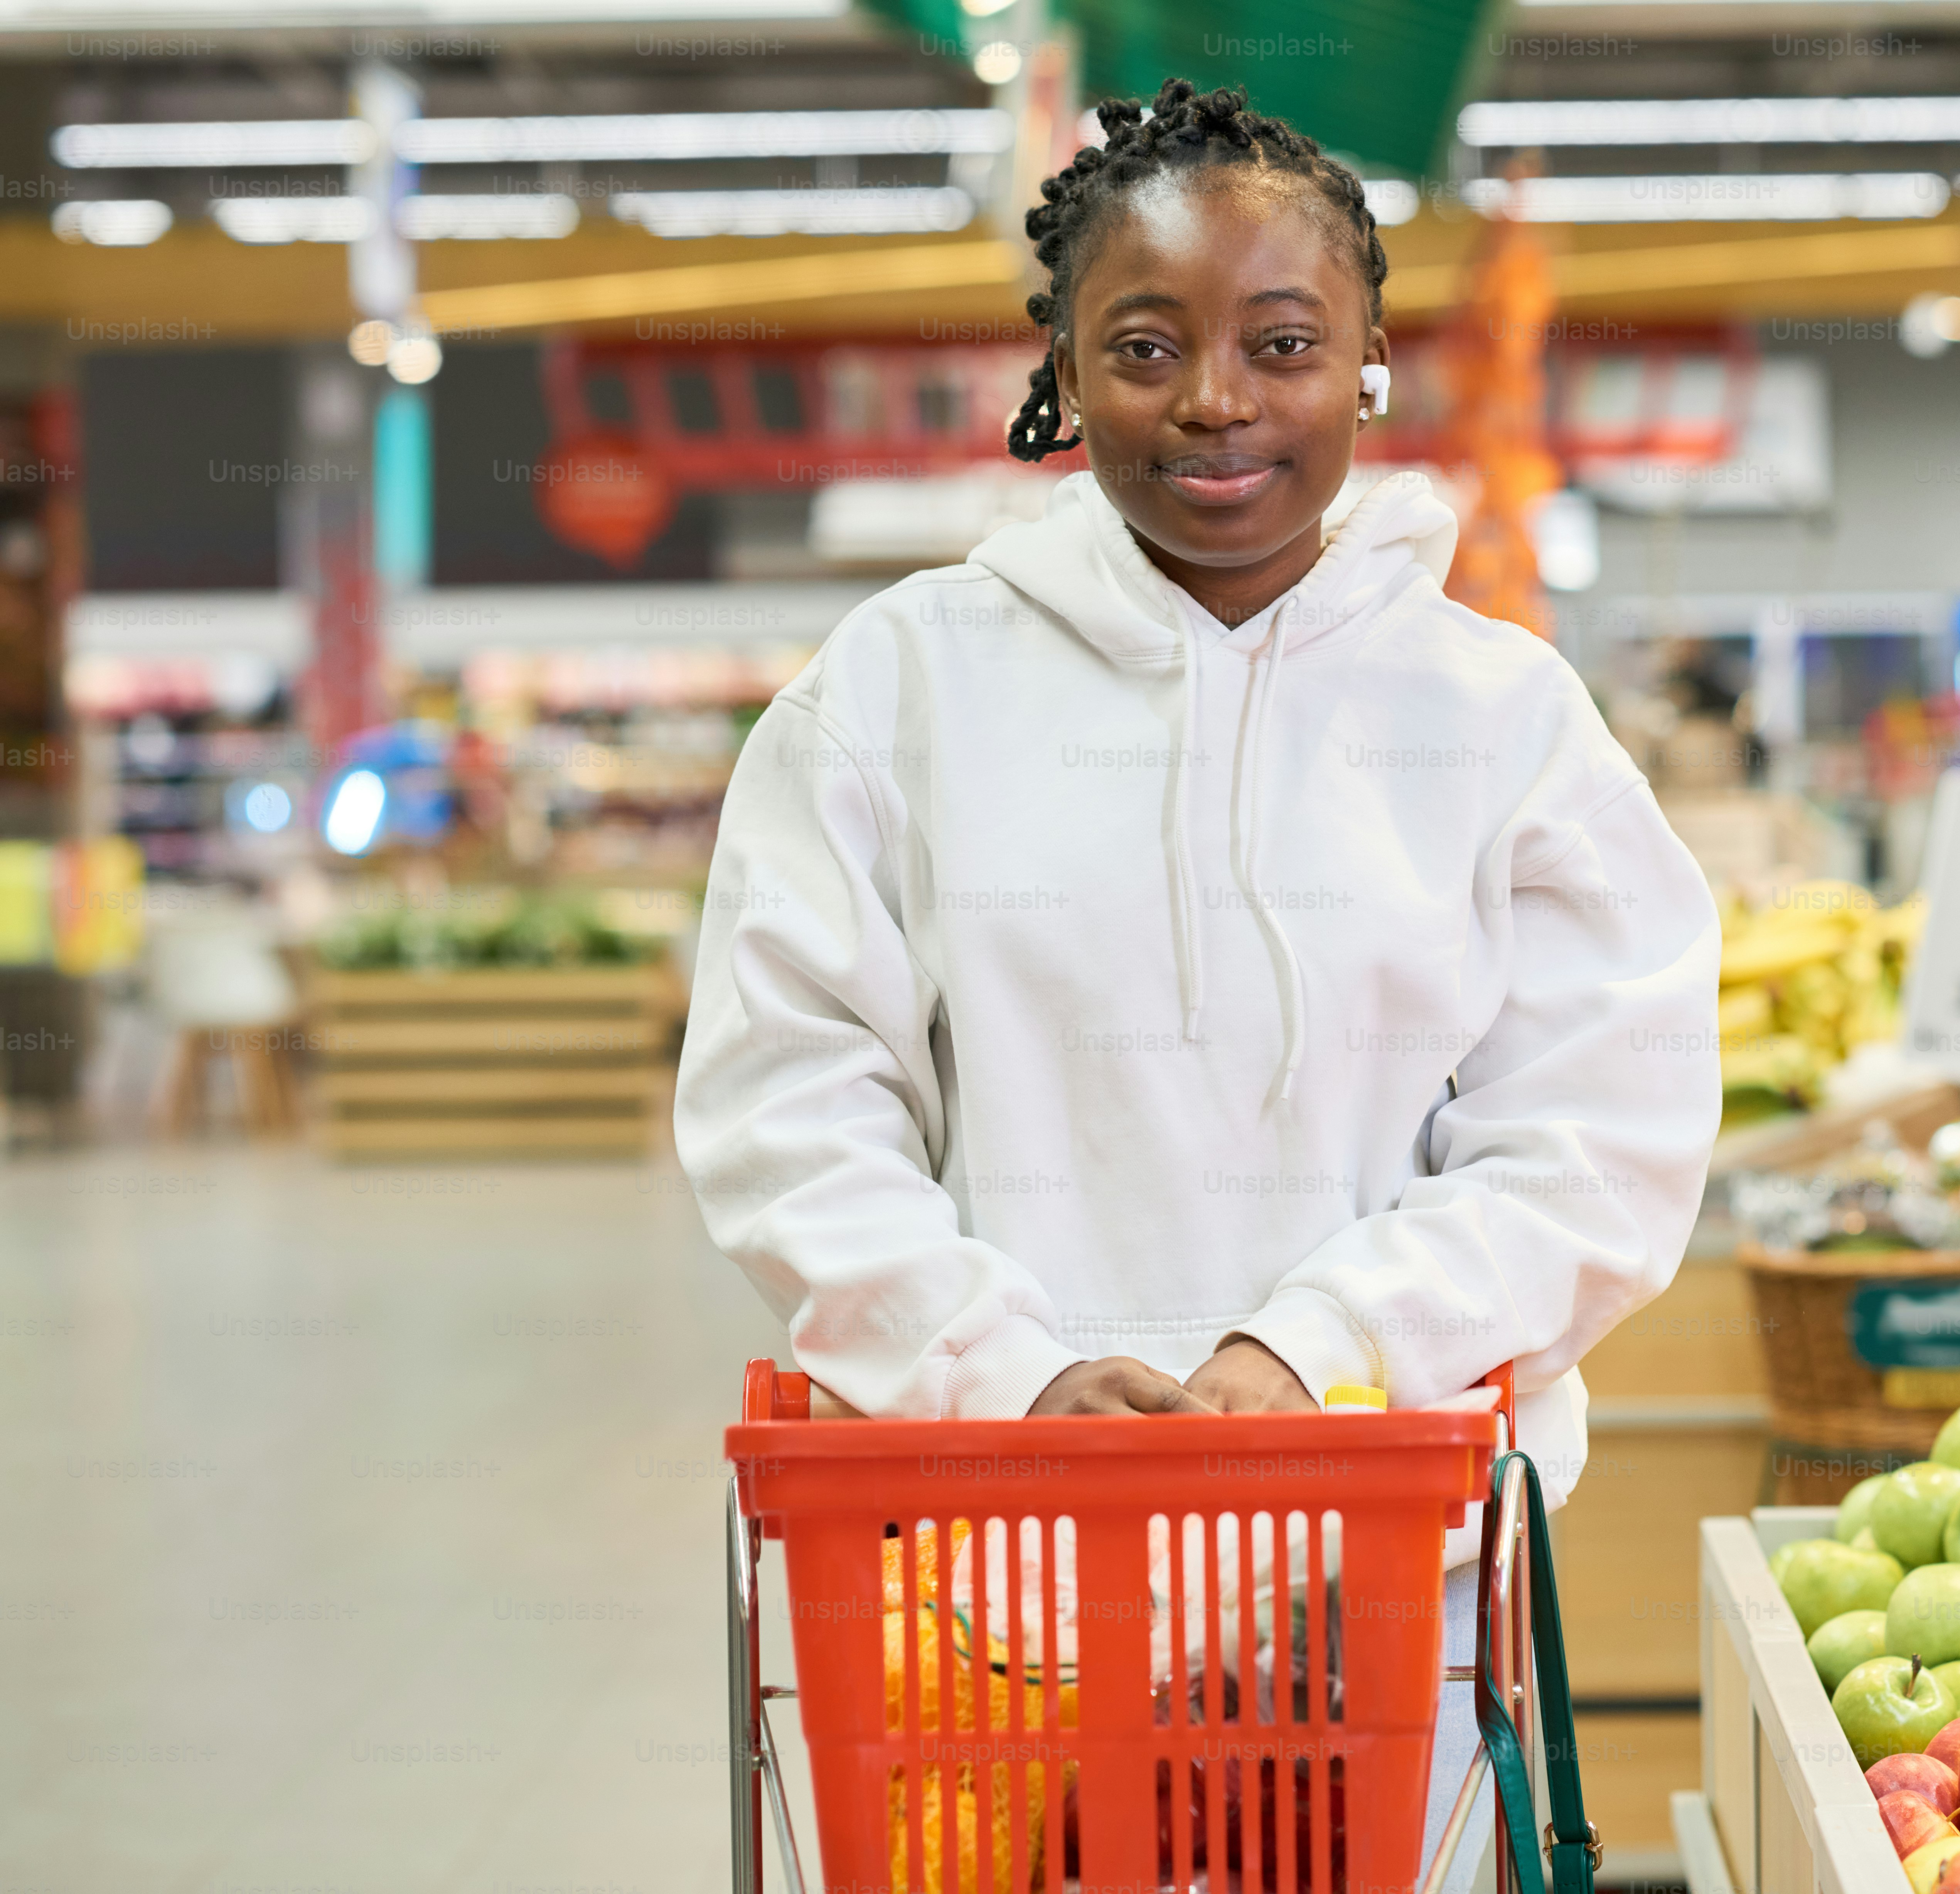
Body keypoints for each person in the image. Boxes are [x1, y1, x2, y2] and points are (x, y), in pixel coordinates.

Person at [675, 76, 1721, 1871]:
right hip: (985, 1589)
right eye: (1145, 346)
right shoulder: (899, 691)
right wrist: (1011, 1377)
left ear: (1370, 361)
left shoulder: (1496, 721)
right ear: (1063, 376)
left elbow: (1600, 1138)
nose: (1218, 400)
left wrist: (1310, 1358)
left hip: (1392, 1586)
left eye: (1284, 341)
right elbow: (787, 1101)